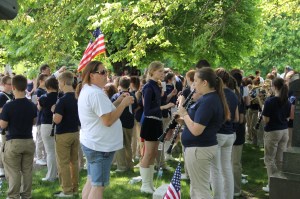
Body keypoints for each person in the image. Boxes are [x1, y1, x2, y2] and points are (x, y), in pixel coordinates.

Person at [77, 61, 134, 199]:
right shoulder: (96, 94)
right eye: (102, 72)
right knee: (98, 186)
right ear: (91, 75)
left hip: (93, 143)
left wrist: (118, 101)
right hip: (100, 147)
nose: (105, 75)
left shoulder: (89, 89)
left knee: (92, 181)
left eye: (106, 71)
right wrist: (124, 104)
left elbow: (102, 112)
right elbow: (107, 120)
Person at [177, 67, 230, 199]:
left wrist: (184, 114)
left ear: (205, 82)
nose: (193, 84)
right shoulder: (208, 98)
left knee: (201, 190)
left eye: (195, 81)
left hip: (199, 149)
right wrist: (183, 121)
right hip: (199, 148)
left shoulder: (209, 101)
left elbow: (196, 130)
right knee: (196, 187)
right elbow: (200, 124)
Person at [139, 61, 174, 194]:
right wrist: (164, 107)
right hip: (149, 122)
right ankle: (145, 184)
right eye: (160, 71)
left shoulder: (156, 85)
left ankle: (150, 183)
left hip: (156, 121)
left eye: (163, 71)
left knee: (153, 153)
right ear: (152, 71)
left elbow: (159, 101)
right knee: (148, 153)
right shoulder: (148, 87)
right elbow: (147, 110)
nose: (162, 74)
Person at [0, 75, 37, 199]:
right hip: (28, 140)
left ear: (14, 87)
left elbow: (3, 125)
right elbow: (34, 121)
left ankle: (13, 196)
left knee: (13, 171)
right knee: (27, 171)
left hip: (14, 141)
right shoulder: (31, 105)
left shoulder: (8, 106)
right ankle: (26, 195)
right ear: (26, 87)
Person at [211, 68, 239, 199]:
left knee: (215, 169)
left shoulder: (218, 94)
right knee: (226, 168)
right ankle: (228, 196)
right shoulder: (234, 94)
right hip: (230, 134)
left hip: (219, 134)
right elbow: (237, 118)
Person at [53, 71, 81, 197]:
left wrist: (54, 112)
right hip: (75, 132)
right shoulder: (77, 97)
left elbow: (57, 120)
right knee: (74, 161)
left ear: (63, 82)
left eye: (59, 82)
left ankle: (67, 190)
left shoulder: (62, 100)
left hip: (63, 134)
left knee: (63, 163)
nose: (59, 85)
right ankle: (75, 188)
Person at [262, 77, 291, 192]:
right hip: (284, 131)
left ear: (274, 87)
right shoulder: (287, 101)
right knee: (279, 159)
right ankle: (280, 183)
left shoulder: (270, 101)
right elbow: (288, 117)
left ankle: (272, 185)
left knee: (269, 159)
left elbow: (266, 120)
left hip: (273, 131)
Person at [111, 76, 137, 172]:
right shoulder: (132, 95)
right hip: (129, 122)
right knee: (128, 144)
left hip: (119, 122)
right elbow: (136, 107)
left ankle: (121, 166)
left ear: (119, 84)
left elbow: (112, 107)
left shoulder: (116, 96)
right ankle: (130, 164)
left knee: (119, 145)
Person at [38, 77, 60, 182]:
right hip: (60, 125)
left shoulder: (43, 97)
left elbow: (39, 108)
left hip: (47, 125)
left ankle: (51, 176)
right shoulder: (61, 97)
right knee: (58, 151)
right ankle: (58, 173)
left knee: (50, 152)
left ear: (48, 86)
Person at [0, 75, 13, 177]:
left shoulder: (13, 95)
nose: (11, 86)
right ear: (3, 84)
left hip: (13, 126)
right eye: (9, 84)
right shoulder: (1, 96)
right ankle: (2, 168)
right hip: (4, 125)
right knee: (4, 147)